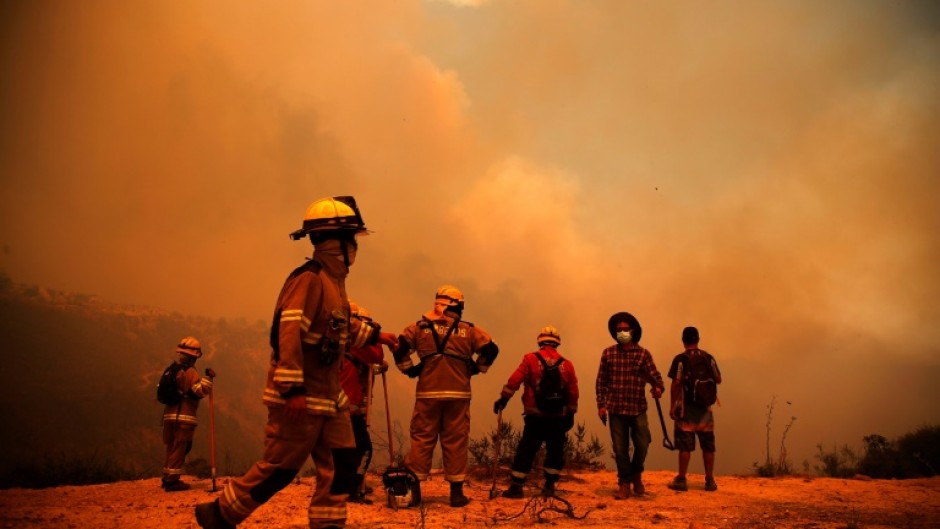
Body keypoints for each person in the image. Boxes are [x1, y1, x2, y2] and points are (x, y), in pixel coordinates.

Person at [195, 196, 397, 529]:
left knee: (344, 465)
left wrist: (378, 336)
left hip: (330, 400)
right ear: (335, 241)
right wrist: (291, 390)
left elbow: (338, 328)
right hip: (301, 399)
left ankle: (327, 525)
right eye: (351, 239)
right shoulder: (309, 280)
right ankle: (220, 514)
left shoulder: (334, 284)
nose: (355, 248)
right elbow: (286, 334)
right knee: (280, 469)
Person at [392, 285, 499, 507]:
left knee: (422, 439)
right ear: (457, 306)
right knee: (456, 440)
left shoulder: (419, 328)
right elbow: (491, 350)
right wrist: (476, 368)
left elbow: (398, 346)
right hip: (458, 395)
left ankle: (414, 491)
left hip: (427, 394)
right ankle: (456, 493)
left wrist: (410, 369)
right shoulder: (469, 330)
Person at [494, 325, 578, 498]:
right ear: (557, 343)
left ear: (540, 340)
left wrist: (504, 399)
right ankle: (549, 486)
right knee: (555, 450)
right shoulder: (567, 364)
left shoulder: (530, 359)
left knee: (527, 449)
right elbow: (573, 391)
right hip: (558, 417)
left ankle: (517, 487)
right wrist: (571, 413)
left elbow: (515, 380)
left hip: (536, 415)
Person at [595, 311, 665, 500]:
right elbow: (601, 382)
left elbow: (656, 378)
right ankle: (624, 483)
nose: (622, 332)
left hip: (637, 408)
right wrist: (601, 405)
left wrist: (658, 388)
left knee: (643, 443)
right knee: (620, 449)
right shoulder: (608, 353)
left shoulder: (643, 354)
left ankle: (636, 473)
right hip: (616, 408)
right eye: (619, 330)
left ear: (633, 331)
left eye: (625, 329)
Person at [338, 302, 387, 504]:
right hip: (349, 407)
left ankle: (343, 486)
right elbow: (376, 355)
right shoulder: (355, 343)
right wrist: (374, 337)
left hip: (340, 405)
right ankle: (352, 487)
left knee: (341, 449)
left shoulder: (340, 343)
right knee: (363, 448)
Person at [667, 326, 722, 492]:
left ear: (683, 340)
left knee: (685, 446)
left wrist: (672, 406)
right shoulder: (708, 357)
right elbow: (718, 379)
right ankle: (710, 480)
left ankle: (682, 479)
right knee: (708, 446)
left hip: (686, 408)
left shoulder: (681, 359)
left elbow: (676, 383)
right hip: (706, 409)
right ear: (698, 339)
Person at [161, 336, 214, 492]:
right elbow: (196, 391)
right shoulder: (190, 372)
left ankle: (166, 477)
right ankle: (172, 482)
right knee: (180, 447)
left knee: (171, 446)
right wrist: (208, 379)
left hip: (169, 416)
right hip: (184, 417)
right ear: (194, 356)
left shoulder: (172, 370)